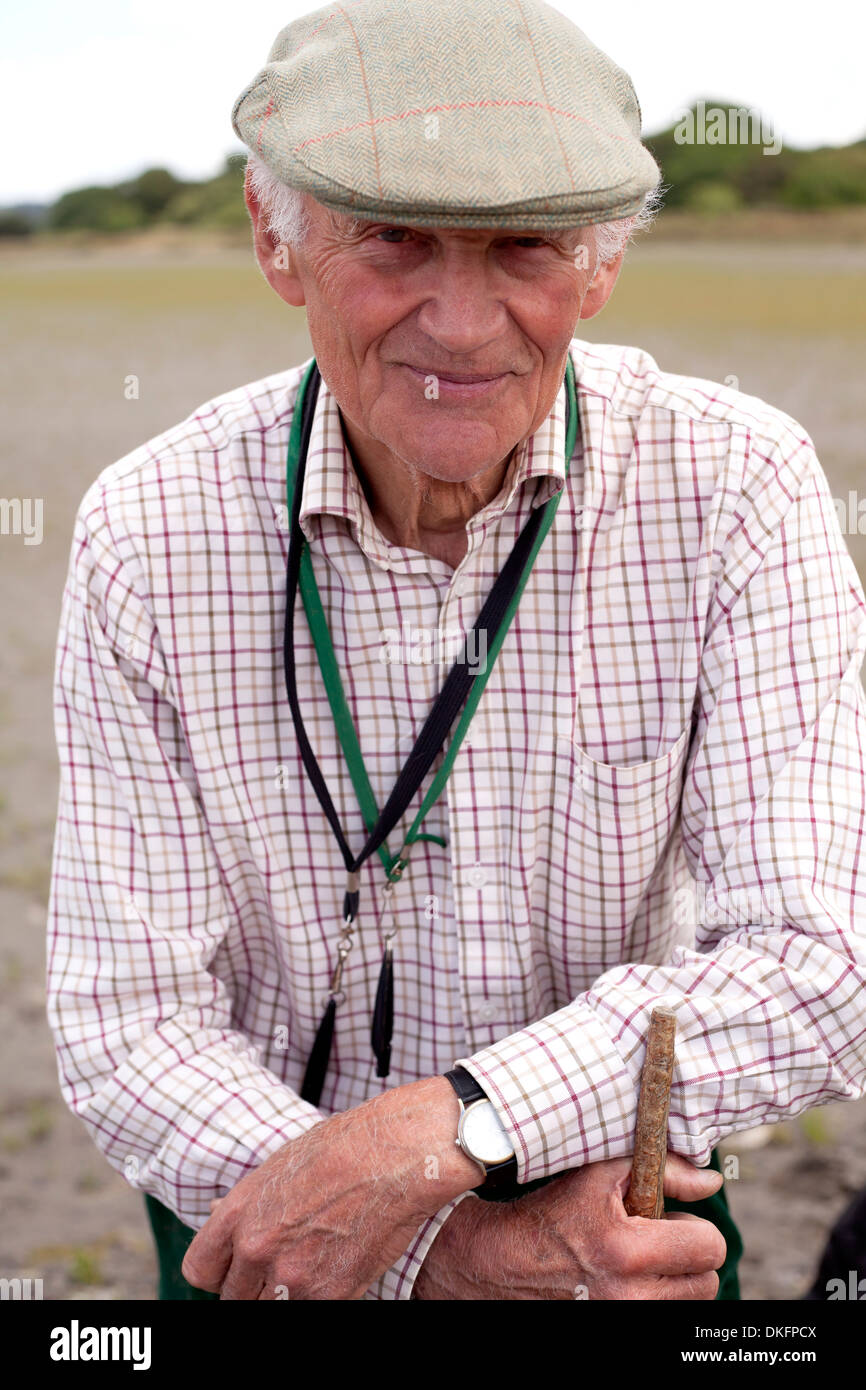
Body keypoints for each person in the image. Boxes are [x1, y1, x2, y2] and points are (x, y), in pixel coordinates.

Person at [47, 0, 866, 1301]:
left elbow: (821, 967)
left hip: (617, 1222)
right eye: (394, 238)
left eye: (525, 248)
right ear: (276, 238)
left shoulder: (736, 485)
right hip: (266, 1215)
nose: (464, 322)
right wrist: (439, 1254)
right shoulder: (148, 528)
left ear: (597, 266)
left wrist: (452, 1130)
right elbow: (126, 1018)